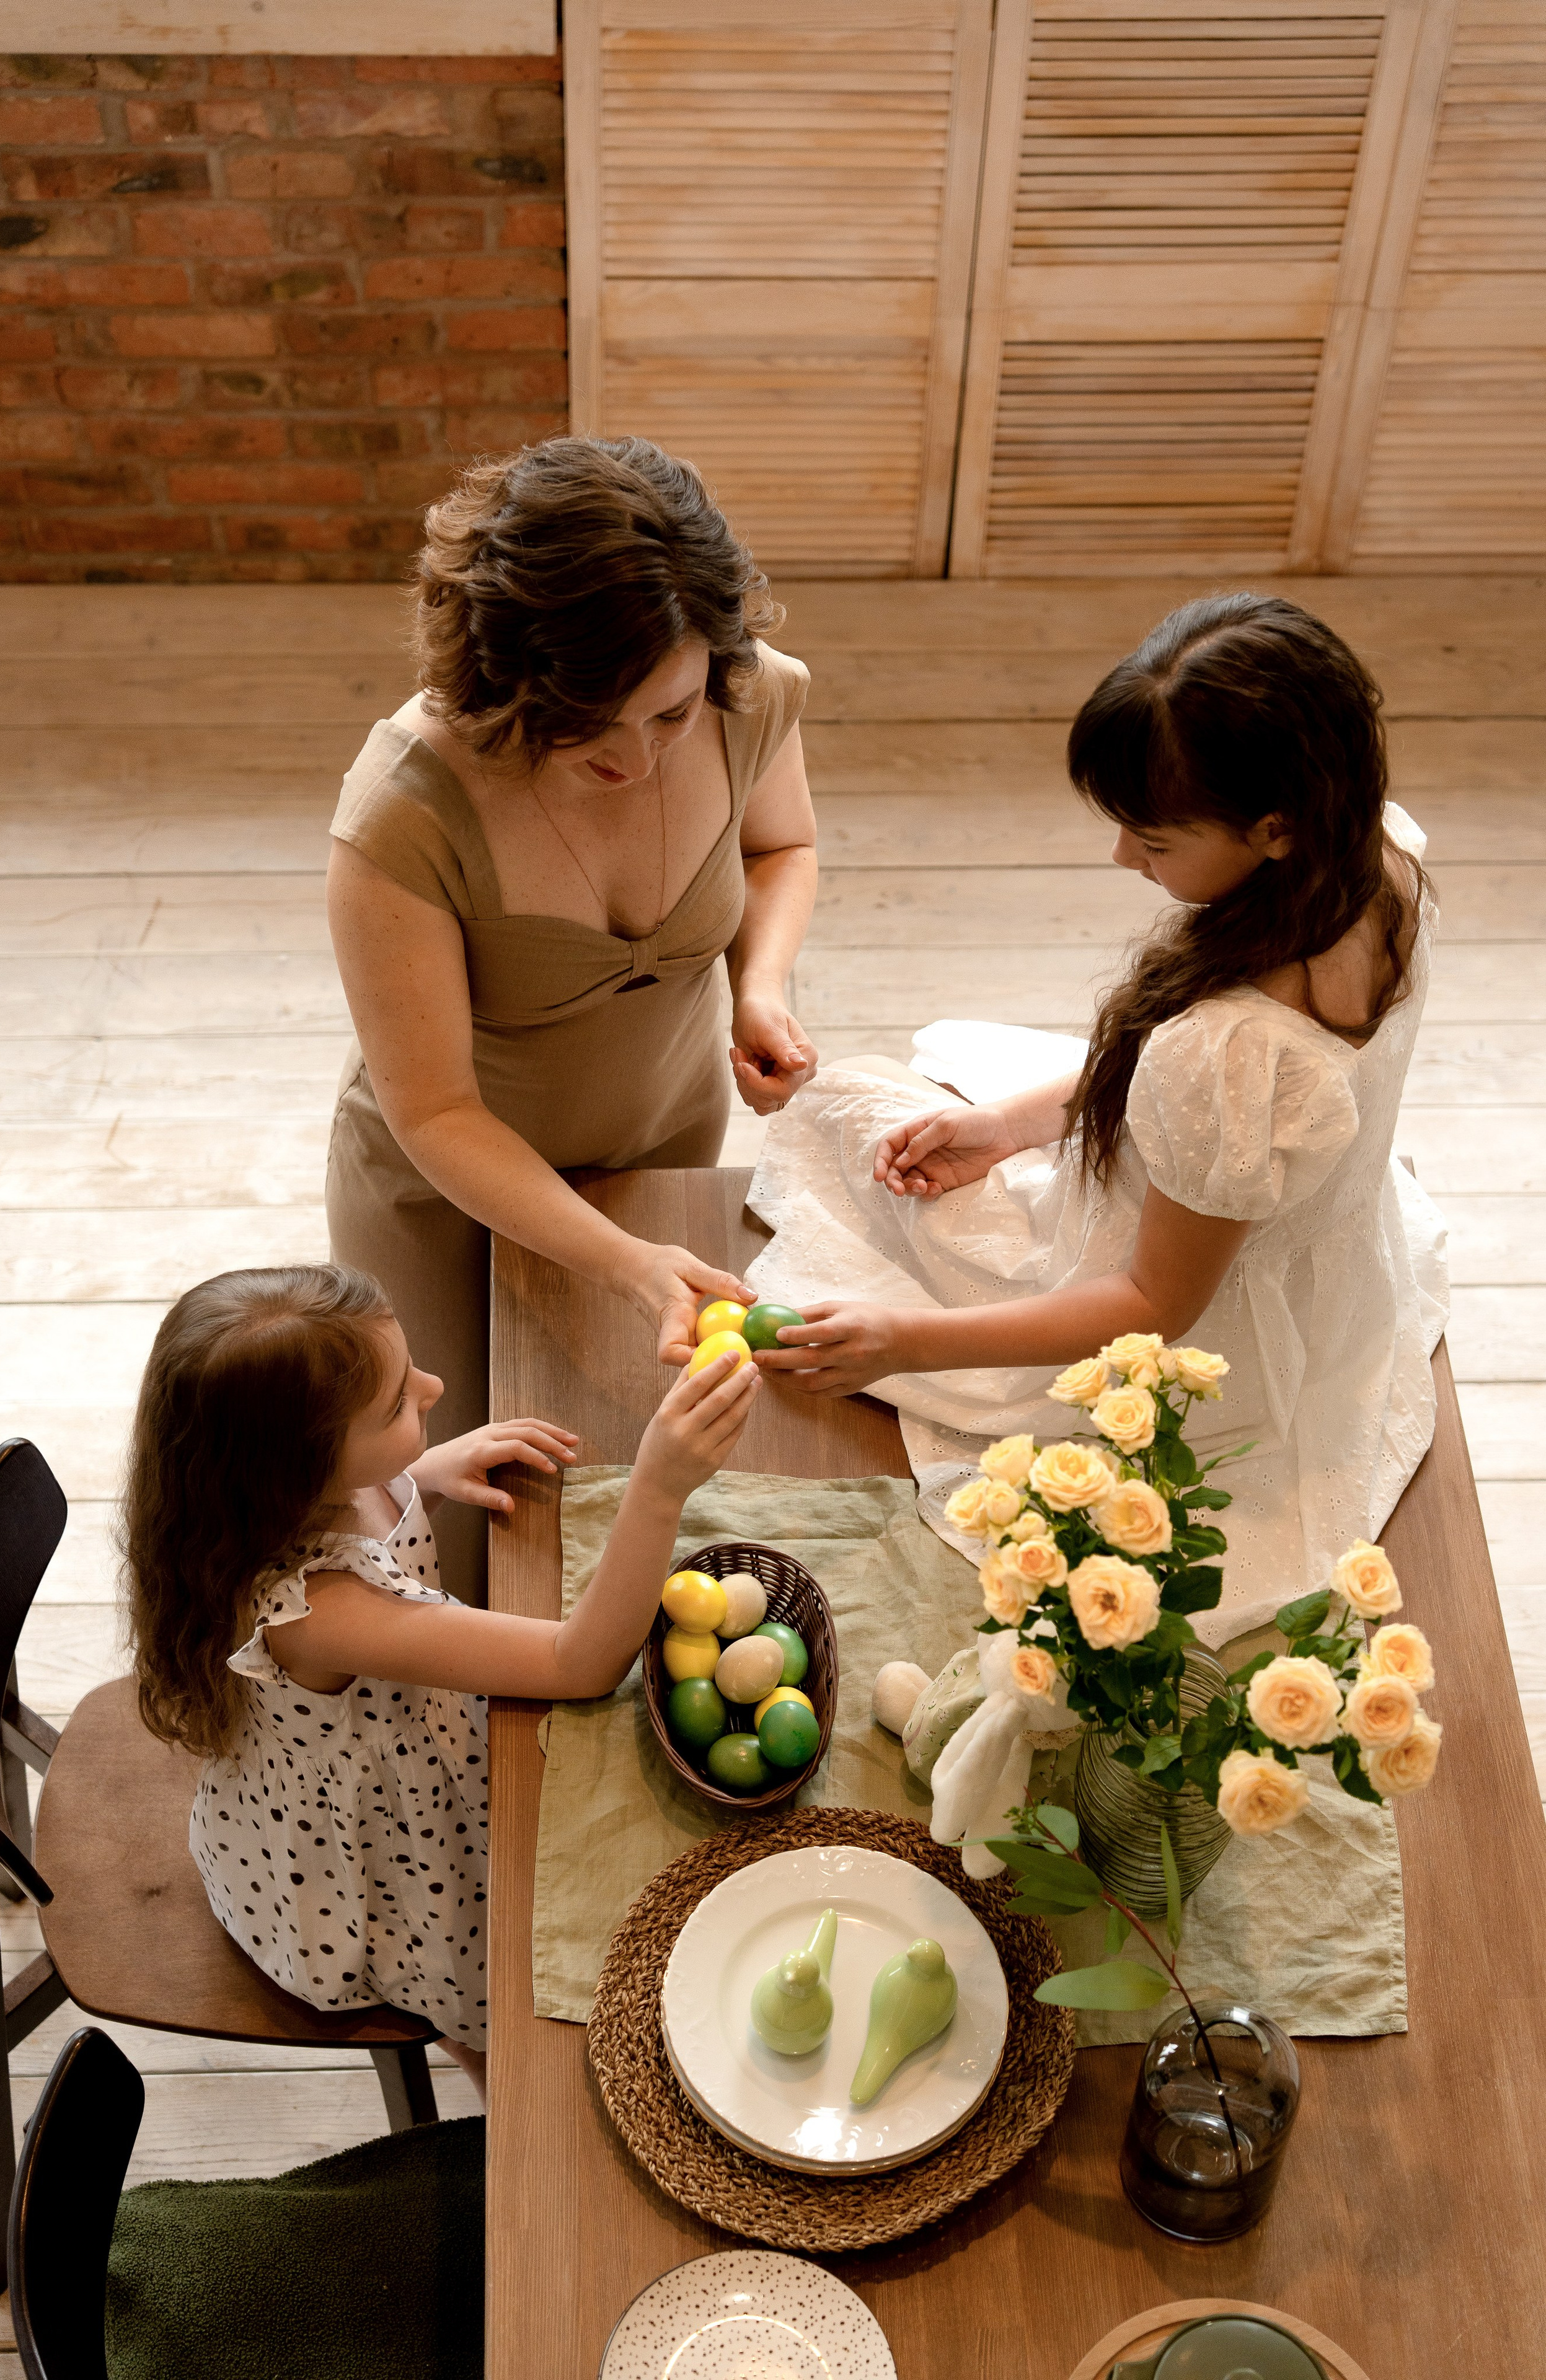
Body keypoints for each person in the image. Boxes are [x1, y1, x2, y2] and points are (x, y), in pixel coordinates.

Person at [742, 593, 1449, 1634]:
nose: (1126, 862)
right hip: (1310, 1246)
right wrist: (1016, 1124)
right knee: (887, 1115)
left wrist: (907, 1340)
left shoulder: (1228, 1050)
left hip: (1199, 1313)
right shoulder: (1380, 853)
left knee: (839, 1132)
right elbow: (1229, 1101)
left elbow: (1155, 1303)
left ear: (1277, 829)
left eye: (1154, 839)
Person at [325, 434, 818, 1594]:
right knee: (454, 1512)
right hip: (444, 1193)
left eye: (671, 715)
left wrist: (760, 984)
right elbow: (437, 1110)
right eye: (592, 723)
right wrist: (633, 1266)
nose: (641, 759)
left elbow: (782, 841)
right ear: (505, 680)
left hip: (661, 1142)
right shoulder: (402, 814)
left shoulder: (749, 697)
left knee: (614, 1469)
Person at [121, 1263, 758, 2105]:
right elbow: (581, 1663)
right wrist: (660, 1486)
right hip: (375, 1863)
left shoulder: (271, 1506)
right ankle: (503, 2086)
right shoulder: (320, 1613)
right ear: (297, 1472)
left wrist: (420, 1476)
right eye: (397, 1404)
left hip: (389, 1755)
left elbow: (370, 1514)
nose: (436, 1385)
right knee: (495, 1990)